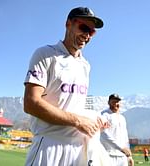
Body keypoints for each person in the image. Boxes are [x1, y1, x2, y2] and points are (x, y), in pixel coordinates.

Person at [23, 7, 106, 166]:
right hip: (49, 146)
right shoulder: (45, 54)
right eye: (83, 28)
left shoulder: (85, 65)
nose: (87, 35)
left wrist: (93, 121)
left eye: (92, 32)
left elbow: (73, 107)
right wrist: (78, 121)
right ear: (68, 24)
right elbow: (31, 103)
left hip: (78, 151)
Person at [100, 93, 134, 166]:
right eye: (113, 101)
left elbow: (125, 137)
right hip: (108, 154)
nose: (116, 104)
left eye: (117, 102)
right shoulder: (104, 115)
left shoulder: (122, 118)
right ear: (108, 102)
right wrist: (120, 148)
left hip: (122, 156)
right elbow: (103, 134)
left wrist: (129, 156)